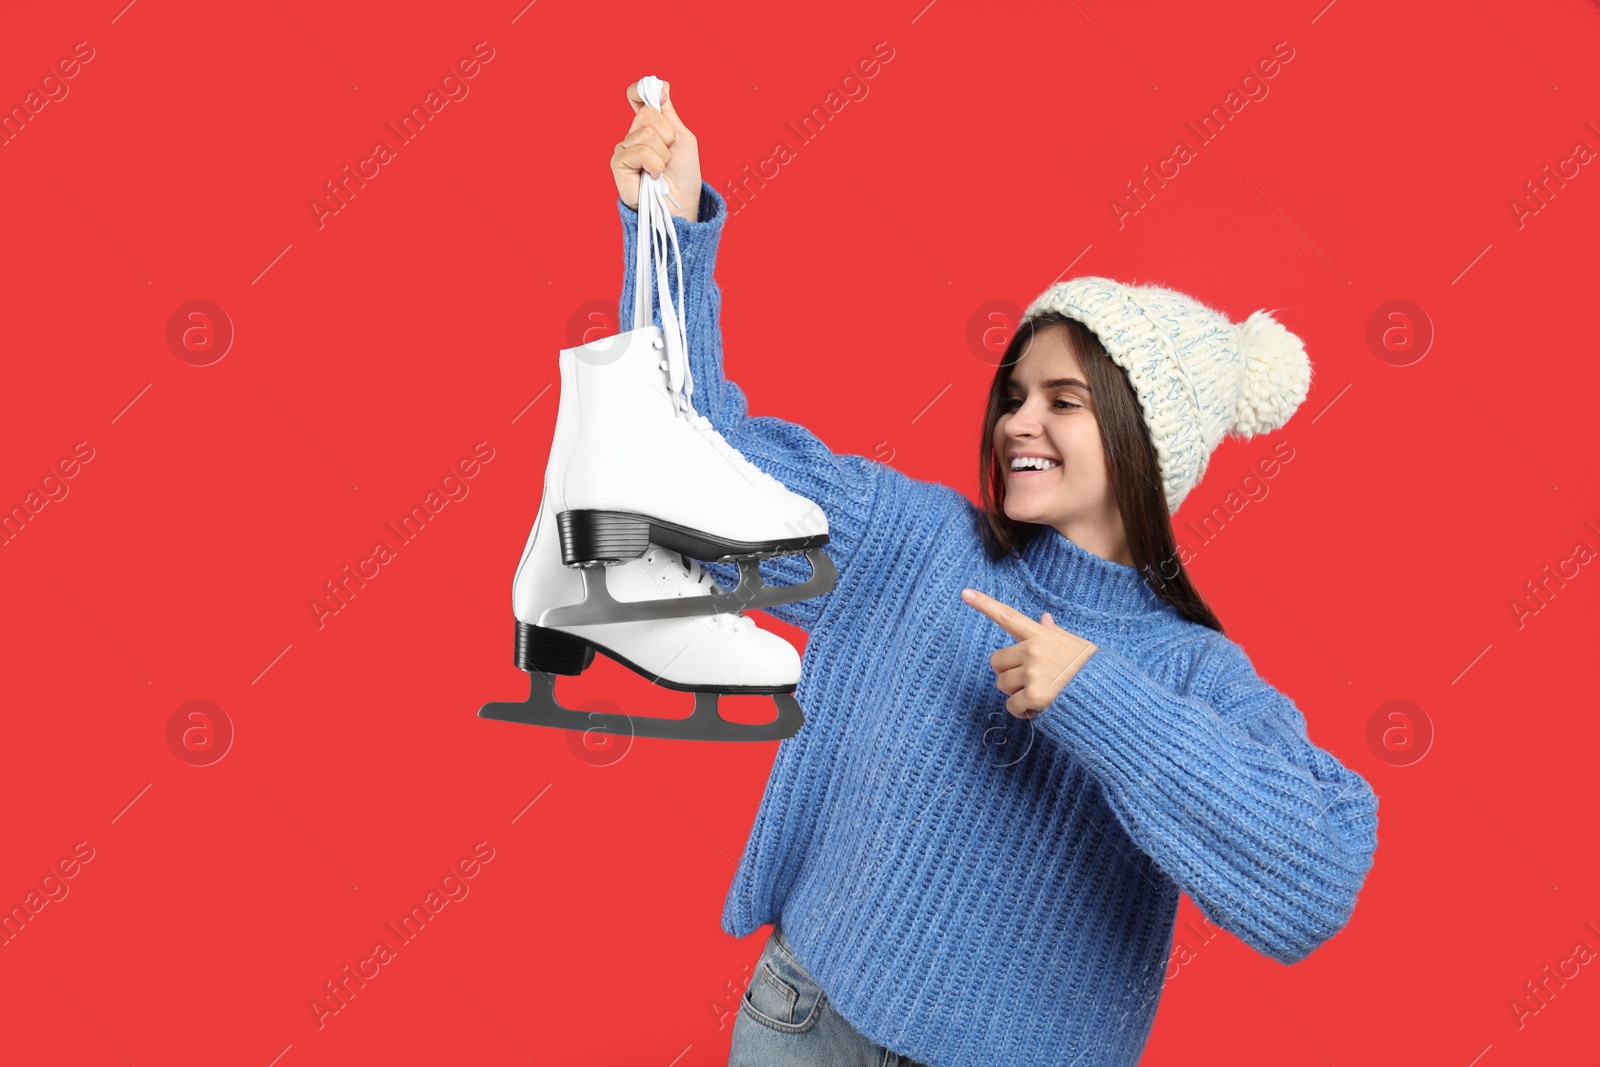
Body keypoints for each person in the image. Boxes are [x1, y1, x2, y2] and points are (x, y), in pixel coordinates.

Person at [610, 79, 1380, 1067]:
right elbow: (697, 471)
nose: (1018, 419)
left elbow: (1314, 877)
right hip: (805, 1023)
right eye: (1015, 393)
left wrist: (1093, 692)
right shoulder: (918, 540)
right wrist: (666, 235)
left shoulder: (1190, 670)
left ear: (1146, 439)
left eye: (1064, 399)